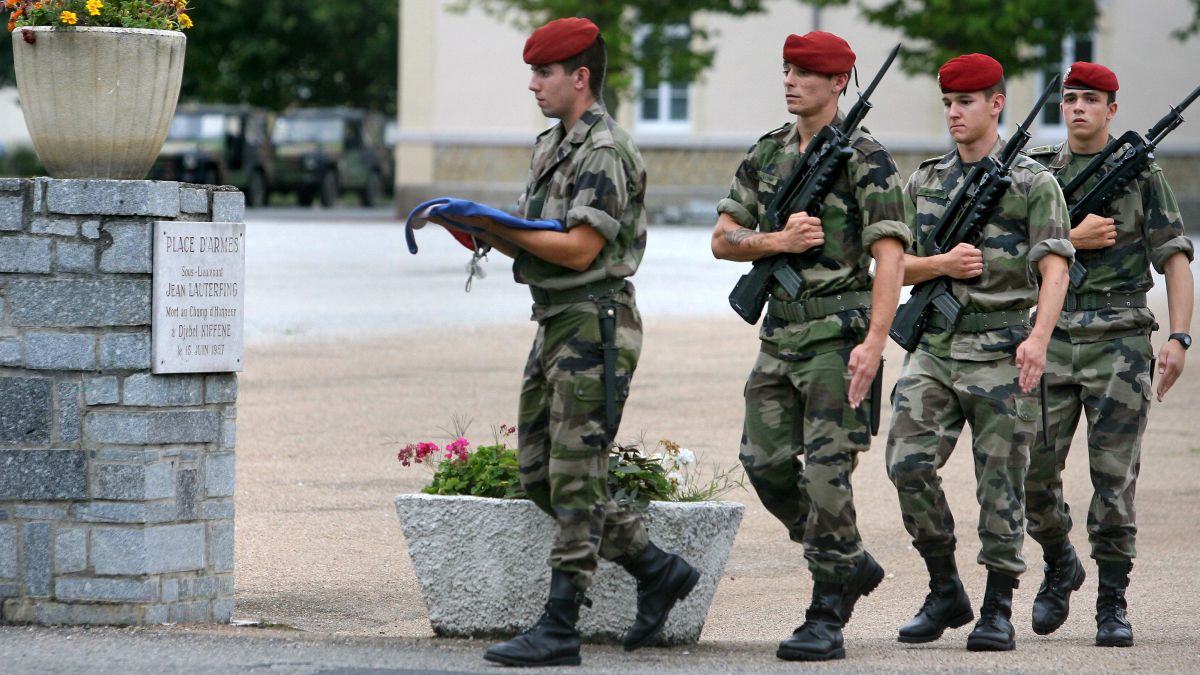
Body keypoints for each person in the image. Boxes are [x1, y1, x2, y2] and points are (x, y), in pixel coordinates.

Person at [447, 17, 699, 668]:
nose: (533, 84)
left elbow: (580, 245)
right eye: (532, 72)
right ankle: (655, 567)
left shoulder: (604, 151)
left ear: (580, 77)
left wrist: (499, 225)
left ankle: (561, 623)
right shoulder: (551, 144)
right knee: (539, 471)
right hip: (556, 318)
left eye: (544, 72)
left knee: (577, 473)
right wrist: (478, 227)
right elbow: (538, 235)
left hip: (594, 321)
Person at [710, 31, 910, 662]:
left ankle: (826, 610)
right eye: (787, 70)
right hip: (779, 333)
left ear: (838, 83)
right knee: (764, 464)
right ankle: (847, 557)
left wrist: (876, 341)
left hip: (837, 337)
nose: (791, 81)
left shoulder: (867, 160)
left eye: (805, 73)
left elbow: (891, 257)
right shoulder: (767, 153)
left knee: (828, 476)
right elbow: (722, 237)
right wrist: (776, 244)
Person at [883, 53, 1074, 652]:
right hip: (936, 347)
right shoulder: (926, 179)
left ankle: (998, 607)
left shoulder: (1033, 182)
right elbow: (890, 264)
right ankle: (945, 587)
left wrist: (1039, 338)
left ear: (996, 104)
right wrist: (940, 264)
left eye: (965, 102)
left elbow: (1055, 267)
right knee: (907, 463)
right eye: (947, 103)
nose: (954, 113)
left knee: (1002, 484)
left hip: (1002, 346)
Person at [1024, 62, 1194, 648]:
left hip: (1120, 340)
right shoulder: (1037, 173)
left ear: (1111, 110)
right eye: (1070, 98)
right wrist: (1073, 236)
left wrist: (1178, 336)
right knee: (1032, 472)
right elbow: (1008, 248)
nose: (1077, 108)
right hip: (1050, 337)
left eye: (1090, 99)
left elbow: (1174, 255)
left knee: (1114, 482)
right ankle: (1059, 560)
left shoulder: (1142, 172)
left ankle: (1111, 600)